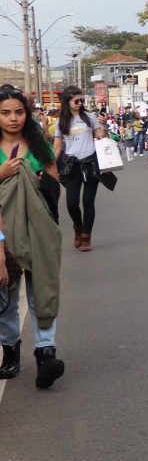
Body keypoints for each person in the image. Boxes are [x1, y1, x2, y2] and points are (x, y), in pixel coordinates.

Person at [0, 88, 65, 388]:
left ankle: (45, 353)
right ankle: (10, 351)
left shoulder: (41, 147)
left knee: (42, 289)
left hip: (39, 229)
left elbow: (54, 186)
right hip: (4, 234)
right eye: (5, 113)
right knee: (7, 294)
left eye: (18, 112)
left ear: (27, 114)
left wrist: (42, 182)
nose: (13, 118)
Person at [54, 87, 102, 252]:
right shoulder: (62, 122)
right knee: (72, 203)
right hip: (72, 166)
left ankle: (86, 237)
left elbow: (100, 137)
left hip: (91, 164)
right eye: (76, 101)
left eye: (82, 100)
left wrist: (103, 133)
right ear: (67, 102)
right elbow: (58, 147)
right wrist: (49, 166)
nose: (80, 103)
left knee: (88, 202)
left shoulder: (90, 117)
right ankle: (78, 227)